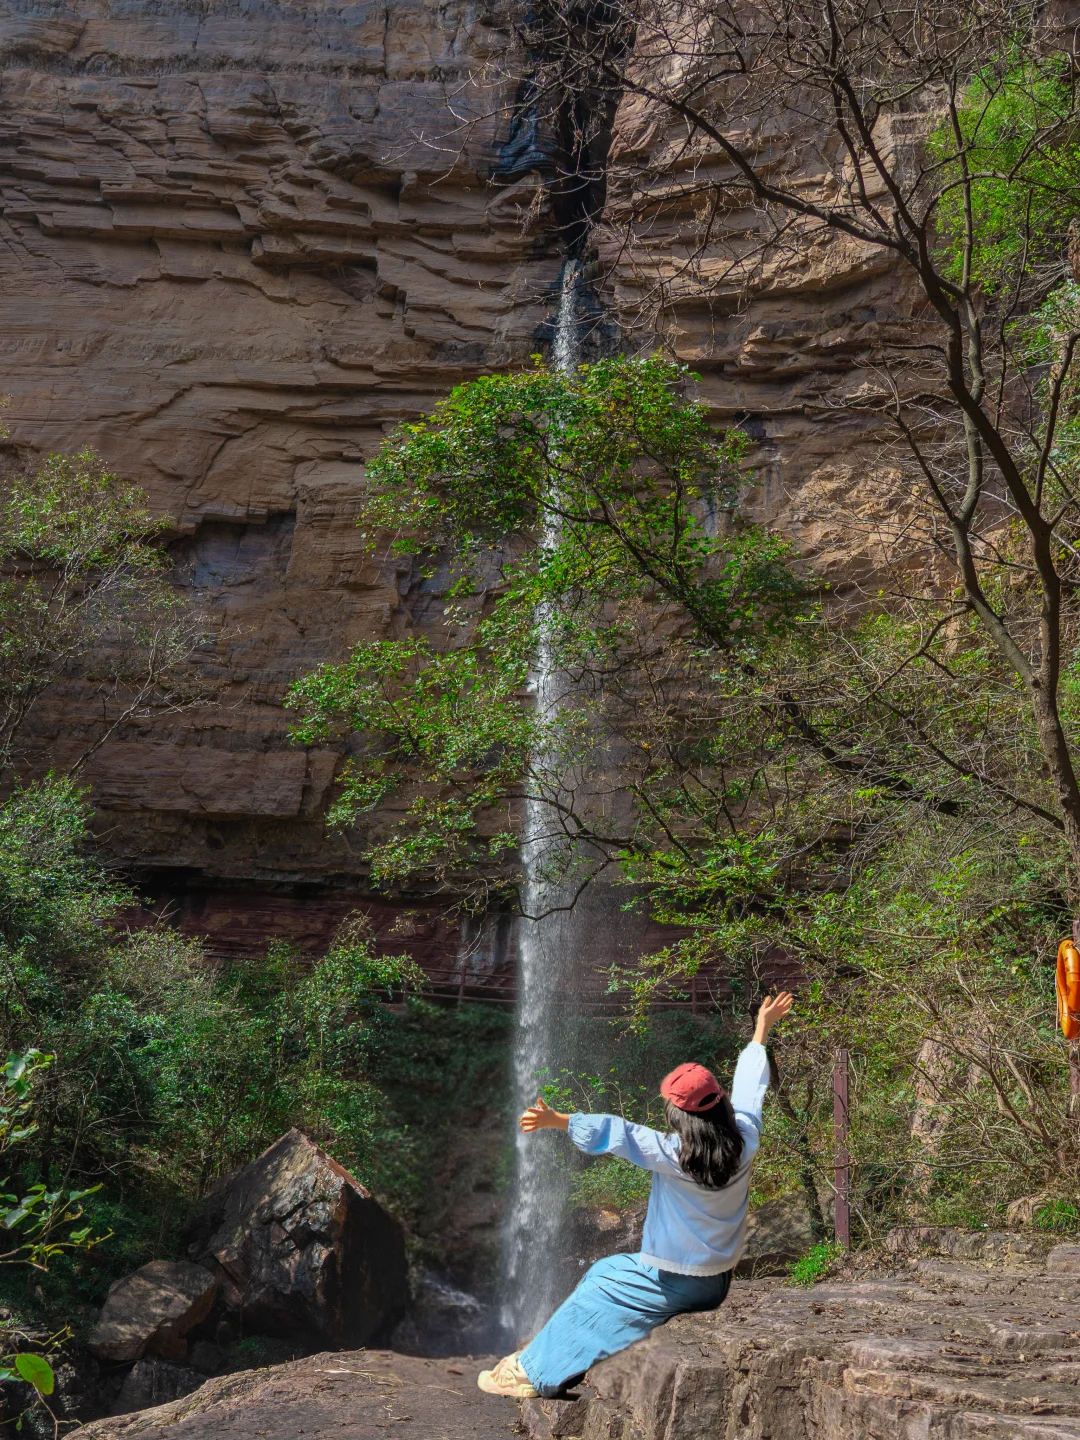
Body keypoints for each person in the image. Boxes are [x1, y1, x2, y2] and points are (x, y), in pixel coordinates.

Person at [478, 991, 794, 1399]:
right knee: (602, 1272)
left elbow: (618, 1132)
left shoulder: (673, 1154)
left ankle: (530, 1374)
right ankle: (567, 1361)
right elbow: (751, 1090)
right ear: (720, 1107)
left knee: (595, 1294)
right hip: (716, 1280)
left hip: (676, 1281)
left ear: (678, 1115)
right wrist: (761, 1030)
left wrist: (558, 1120)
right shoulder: (745, 1138)